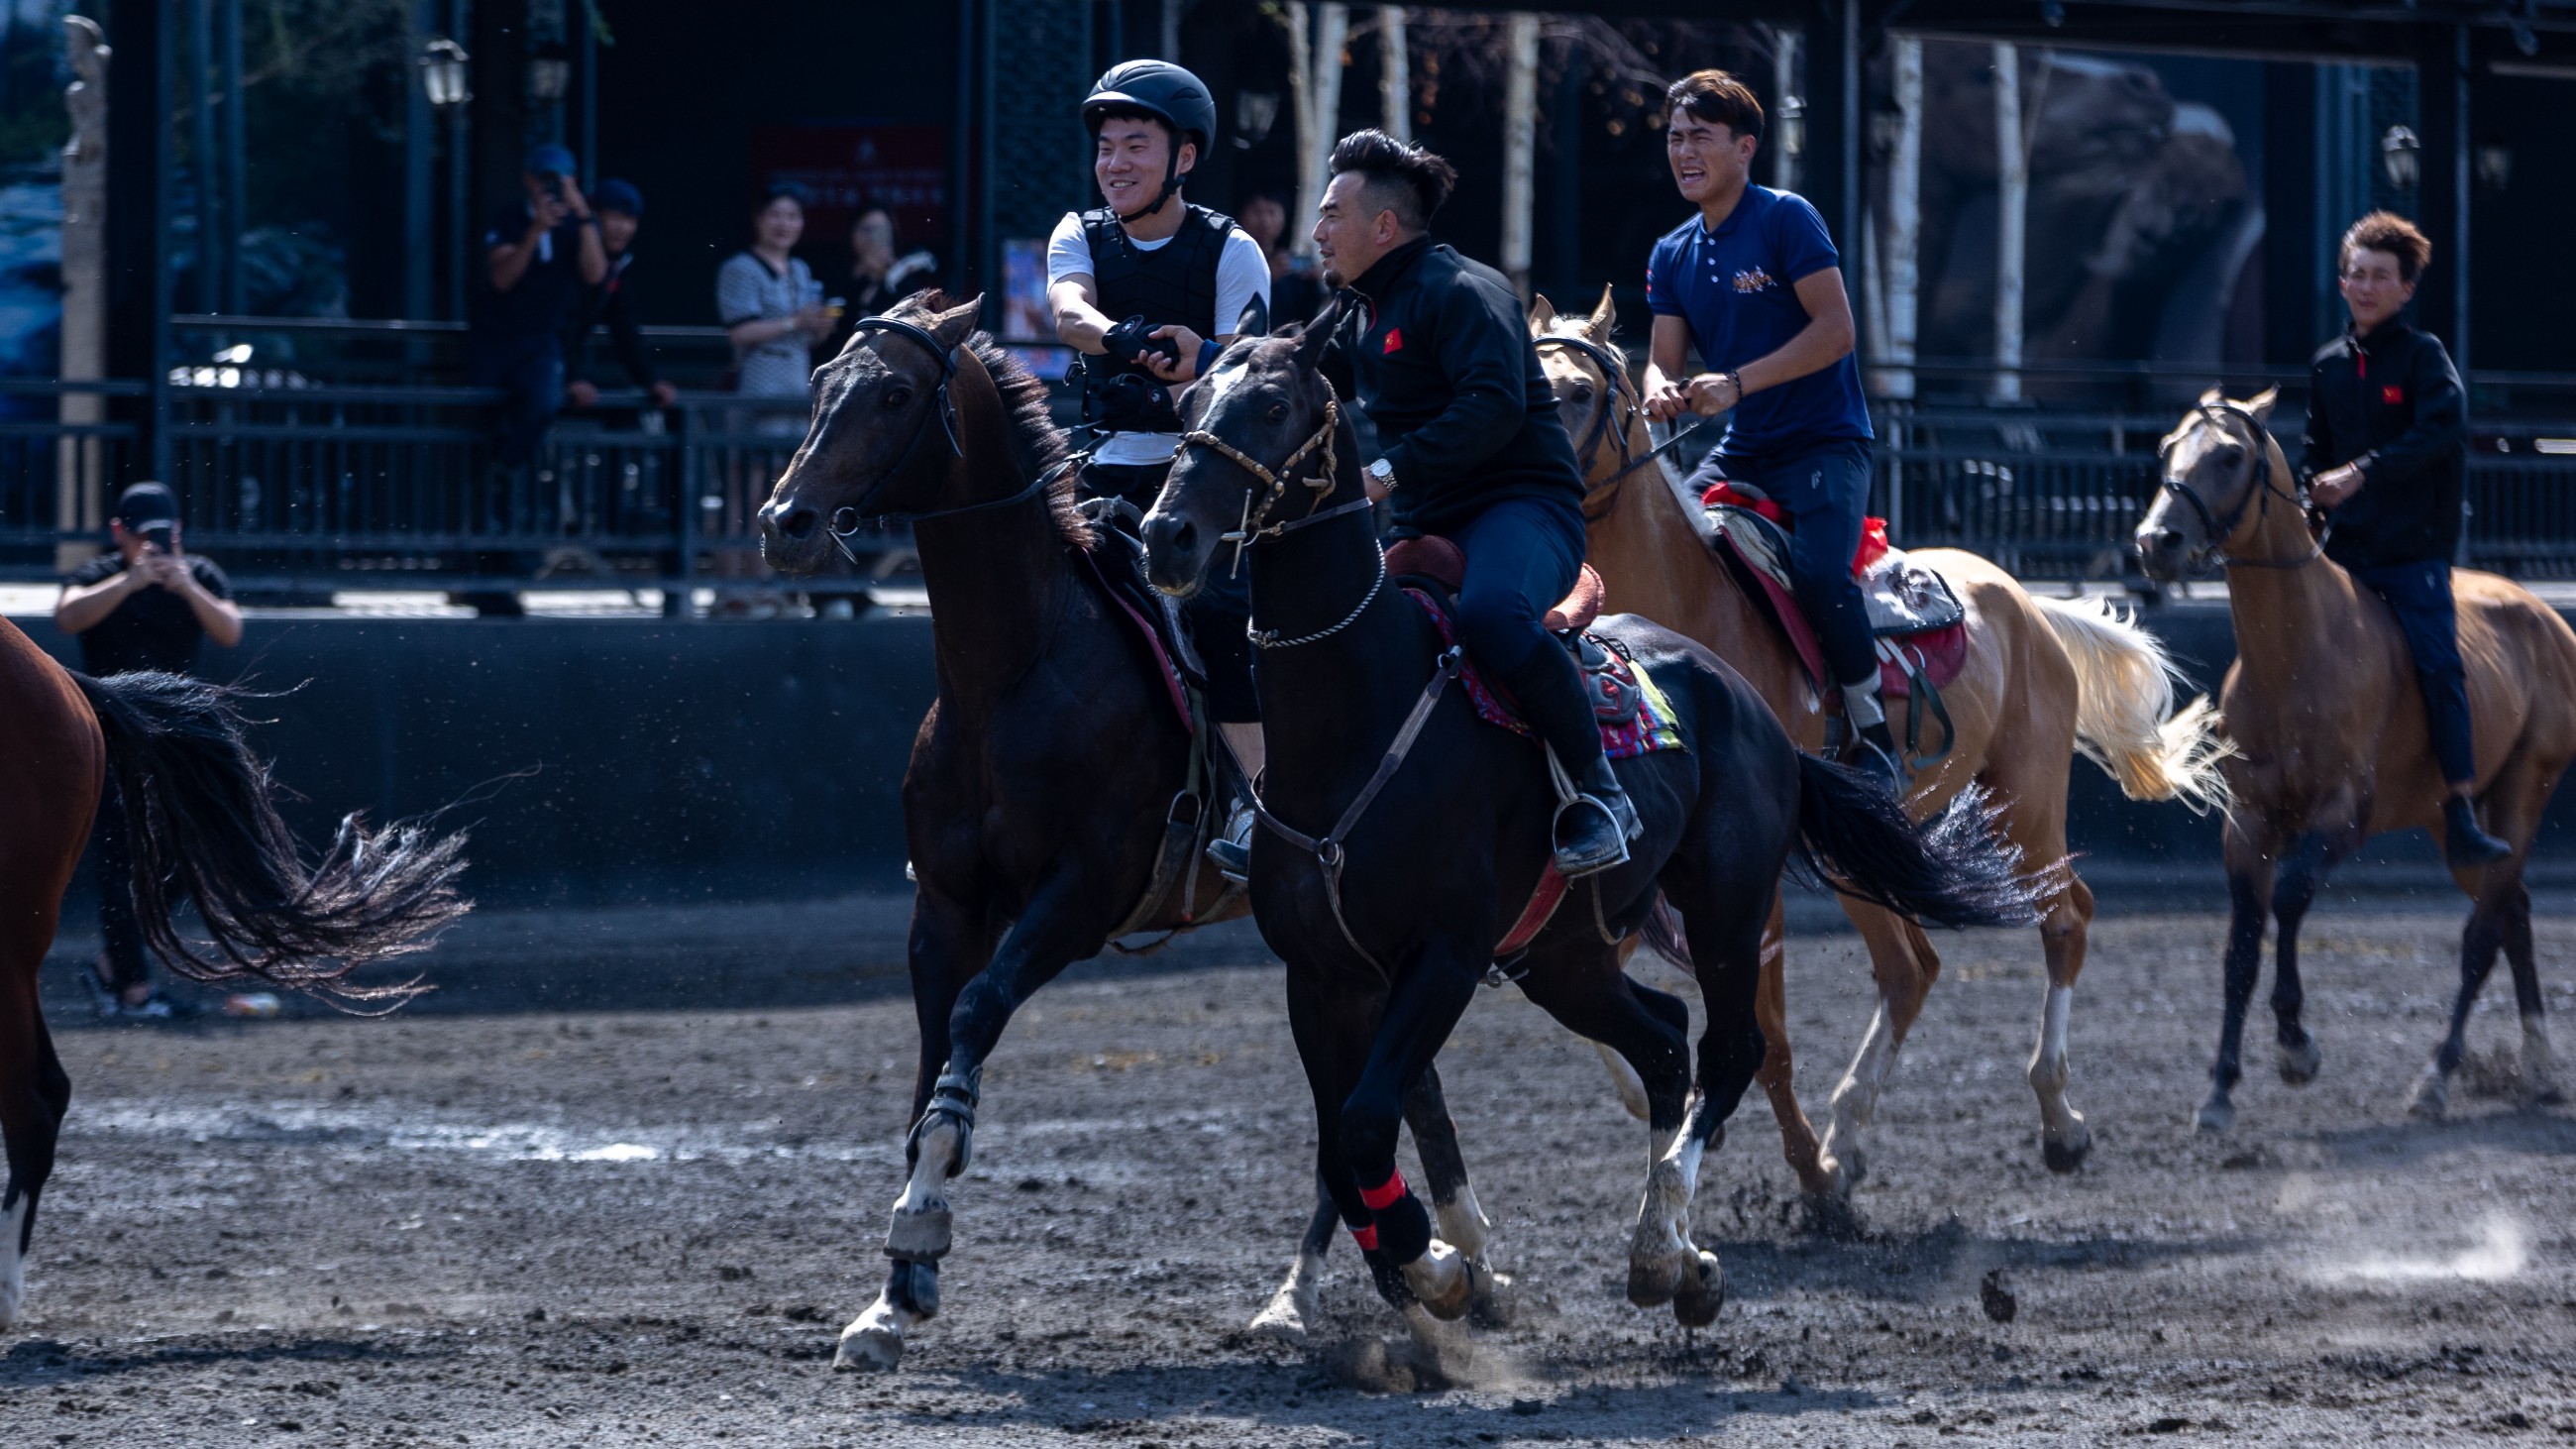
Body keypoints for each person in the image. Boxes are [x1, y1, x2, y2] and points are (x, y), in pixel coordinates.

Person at [1313, 129, 1637, 876]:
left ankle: (1601, 793)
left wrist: (1382, 476)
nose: (1318, 231)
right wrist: (1201, 357)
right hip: (1429, 521)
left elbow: (1491, 406)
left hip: (1523, 508)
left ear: (1384, 226)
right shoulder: (1362, 310)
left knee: (1491, 615)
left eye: (1332, 214)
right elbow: (1292, 370)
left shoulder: (1465, 289)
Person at [1044, 59, 1271, 875]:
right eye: (1106, 146)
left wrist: (1199, 360)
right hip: (1096, 470)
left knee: (1215, 610)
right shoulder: (1078, 232)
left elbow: (1248, 372)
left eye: (1136, 145)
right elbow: (1068, 312)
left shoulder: (1232, 251)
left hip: (1197, 483)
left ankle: (1257, 802)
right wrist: (1118, 339)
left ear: (1184, 157)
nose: (1115, 164)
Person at [1639, 70, 1888, 786]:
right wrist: (1662, 393)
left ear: (1746, 148)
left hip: (1826, 441)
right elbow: (1661, 365)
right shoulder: (1671, 252)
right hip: (1743, 448)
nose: (1684, 152)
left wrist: (1736, 384)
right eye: (1675, 138)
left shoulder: (1787, 218)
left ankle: (1872, 733)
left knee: (1818, 574)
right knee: (1672, 549)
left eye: (1702, 138)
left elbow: (1838, 332)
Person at [2303, 210, 2508, 867]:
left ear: (2405, 289)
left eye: (2379, 277)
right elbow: (2314, 452)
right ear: (2342, 284)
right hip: (2343, 557)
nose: (2365, 287)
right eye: (2355, 275)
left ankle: (2461, 804)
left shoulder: (2425, 358)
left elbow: (2441, 430)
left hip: (2410, 557)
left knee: (2440, 664)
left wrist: (2363, 472)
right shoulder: (2328, 366)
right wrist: (2311, 495)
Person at [53, 483, 244, 1020]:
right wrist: (128, 581)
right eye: (141, 538)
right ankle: (132, 989)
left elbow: (229, 629)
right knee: (120, 862)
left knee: (192, 852)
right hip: (112, 735)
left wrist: (186, 587)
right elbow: (68, 617)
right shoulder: (100, 573)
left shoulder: (198, 574)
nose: (152, 548)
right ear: (120, 534)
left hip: (176, 738)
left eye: (162, 537)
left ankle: (116, 965)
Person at [473, 142, 608, 473]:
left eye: (561, 180)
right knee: (484, 412)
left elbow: (595, 274)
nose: (552, 187)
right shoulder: (508, 219)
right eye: (546, 179)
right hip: (498, 337)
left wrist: (584, 216)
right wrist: (536, 230)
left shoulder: (577, 229)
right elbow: (502, 279)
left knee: (544, 404)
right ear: (529, 180)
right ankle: (489, 488)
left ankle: (506, 468)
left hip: (543, 340)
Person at [563, 178, 678, 414]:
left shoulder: (618, 264)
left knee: (628, 408)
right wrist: (569, 377)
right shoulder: (565, 252)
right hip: (541, 365)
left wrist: (651, 380)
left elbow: (626, 329)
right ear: (593, 216)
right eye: (615, 217)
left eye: (630, 220)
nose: (622, 227)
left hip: (566, 372)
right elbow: (558, 325)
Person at [718, 183, 829, 414]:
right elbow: (740, 332)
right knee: (763, 445)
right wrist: (796, 322)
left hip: (798, 379)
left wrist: (819, 326)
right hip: (760, 377)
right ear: (759, 219)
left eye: (792, 216)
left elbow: (808, 337)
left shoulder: (800, 268)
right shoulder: (740, 267)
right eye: (775, 215)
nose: (784, 224)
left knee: (799, 448)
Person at [815, 205, 940, 364]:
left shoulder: (903, 278)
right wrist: (864, 278)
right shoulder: (835, 275)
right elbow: (832, 321)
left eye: (882, 231)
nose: (875, 238)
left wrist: (887, 277)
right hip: (838, 365)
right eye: (867, 230)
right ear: (852, 233)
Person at [1240, 190, 1326, 327]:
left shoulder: (1287, 265)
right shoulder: (1234, 259)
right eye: (1257, 212)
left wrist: (1314, 284)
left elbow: (1307, 321)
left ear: (1284, 217)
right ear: (1242, 216)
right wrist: (1268, 277)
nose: (1265, 220)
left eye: (1271, 212)